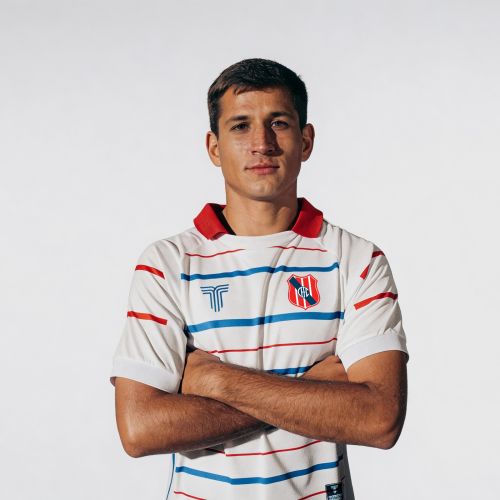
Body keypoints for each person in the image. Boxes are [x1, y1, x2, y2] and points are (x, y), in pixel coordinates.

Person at [110, 58, 409, 500]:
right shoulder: (167, 264)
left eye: (279, 123)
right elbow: (140, 429)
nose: (262, 144)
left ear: (306, 141)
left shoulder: (358, 260)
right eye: (240, 126)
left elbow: (379, 419)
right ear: (213, 147)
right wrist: (314, 391)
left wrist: (217, 381)